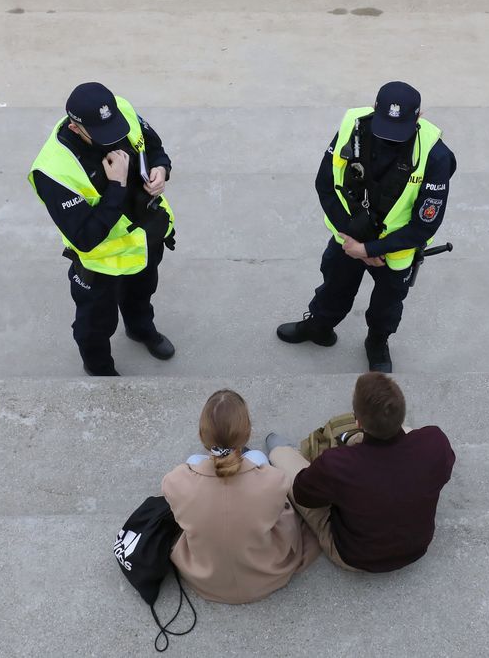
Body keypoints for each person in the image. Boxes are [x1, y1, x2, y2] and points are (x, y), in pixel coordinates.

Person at [276, 81, 456, 372]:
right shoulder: (352, 126)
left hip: (394, 252)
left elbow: (425, 225)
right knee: (334, 285)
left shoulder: (435, 156)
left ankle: (376, 342)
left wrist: (371, 249)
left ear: (419, 116)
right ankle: (320, 327)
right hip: (349, 236)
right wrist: (353, 241)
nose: (392, 139)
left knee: (387, 305)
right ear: (374, 109)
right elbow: (325, 184)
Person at [29, 82, 177, 377]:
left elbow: (154, 148)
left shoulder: (121, 111)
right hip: (100, 265)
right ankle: (100, 370)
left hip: (146, 239)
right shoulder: (54, 171)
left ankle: (140, 330)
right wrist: (116, 185)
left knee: (141, 294)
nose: (113, 139)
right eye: (101, 134)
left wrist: (161, 169)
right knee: (94, 325)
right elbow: (85, 238)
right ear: (74, 127)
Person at [266, 372, 455, 573]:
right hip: (416, 546)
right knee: (408, 433)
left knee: (281, 456)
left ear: (358, 422)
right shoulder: (435, 441)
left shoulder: (336, 464)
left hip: (354, 554)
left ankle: (282, 449)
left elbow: (304, 495)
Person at [161, 390, 320, 604]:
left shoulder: (175, 481)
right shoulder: (274, 481)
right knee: (257, 457)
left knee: (193, 459)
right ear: (247, 434)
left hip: (205, 577)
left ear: (201, 436)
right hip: (266, 572)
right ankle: (244, 455)